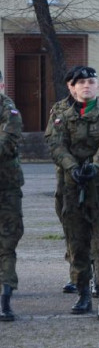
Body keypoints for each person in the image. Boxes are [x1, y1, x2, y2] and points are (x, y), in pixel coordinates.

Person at [48, 66, 99, 321]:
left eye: (91, 81)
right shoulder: (60, 115)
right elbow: (56, 145)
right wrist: (72, 167)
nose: (86, 86)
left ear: (97, 86)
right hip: (71, 186)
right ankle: (82, 292)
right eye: (81, 83)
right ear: (71, 87)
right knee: (77, 243)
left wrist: (95, 167)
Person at [45, 67, 81, 295]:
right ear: (69, 85)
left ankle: (95, 273)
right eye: (74, 83)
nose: (79, 86)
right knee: (70, 225)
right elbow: (53, 140)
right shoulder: (58, 108)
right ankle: (76, 273)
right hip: (66, 178)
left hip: (92, 178)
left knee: (93, 227)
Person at [0, 70, 24, 321]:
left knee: (6, 243)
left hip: (5, 188)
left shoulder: (9, 110)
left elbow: (7, 142)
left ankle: (5, 298)